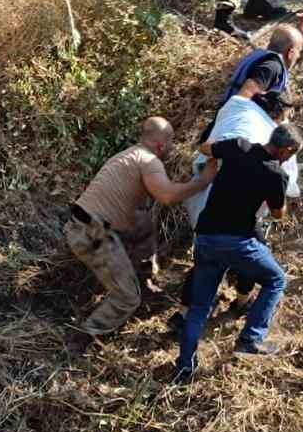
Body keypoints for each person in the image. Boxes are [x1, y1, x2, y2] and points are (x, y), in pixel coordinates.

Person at [65, 118, 217, 353]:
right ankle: (83, 338)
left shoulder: (130, 155)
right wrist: (203, 180)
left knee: (140, 224)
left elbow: (140, 219)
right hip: (94, 233)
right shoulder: (149, 162)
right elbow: (167, 196)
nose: (172, 148)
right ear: (160, 145)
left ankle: (140, 283)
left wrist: (146, 267)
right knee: (127, 298)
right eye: (170, 143)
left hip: (85, 228)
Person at [173, 124, 303, 383]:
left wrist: (217, 163)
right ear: (286, 150)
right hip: (238, 242)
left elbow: (204, 148)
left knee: (199, 307)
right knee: (276, 279)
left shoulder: (238, 146)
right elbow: (278, 214)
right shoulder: (275, 174)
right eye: (293, 153)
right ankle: (250, 340)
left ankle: (184, 367)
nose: (290, 158)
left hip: (206, 237)